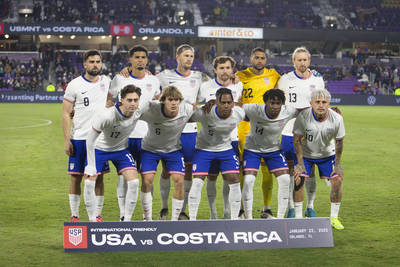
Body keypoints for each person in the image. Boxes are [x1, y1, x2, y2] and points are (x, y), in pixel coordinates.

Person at [109, 45, 160, 221]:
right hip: (125, 137)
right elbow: (109, 101)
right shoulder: (119, 79)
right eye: (136, 57)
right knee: (124, 178)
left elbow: (157, 104)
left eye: (143, 57)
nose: (140, 60)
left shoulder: (153, 80)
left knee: (148, 178)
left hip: (147, 138)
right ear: (129, 60)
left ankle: (148, 217)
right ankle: (124, 215)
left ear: (147, 60)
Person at [62, 49, 112, 222]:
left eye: (98, 61)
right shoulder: (74, 85)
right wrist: (67, 140)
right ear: (84, 64)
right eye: (91, 61)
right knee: (76, 177)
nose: (95, 64)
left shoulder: (107, 82)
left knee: (98, 178)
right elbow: (65, 114)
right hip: (79, 139)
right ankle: (75, 215)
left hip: (100, 140)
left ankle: (97, 215)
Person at [84, 85, 144, 222]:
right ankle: (92, 220)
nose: (133, 103)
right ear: (121, 100)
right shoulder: (106, 116)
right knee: (88, 183)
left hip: (120, 150)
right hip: (99, 150)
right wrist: (91, 165)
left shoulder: (139, 111)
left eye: (136, 100)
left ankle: (126, 220)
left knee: (134, 182)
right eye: (129, 100)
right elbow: (90, 140)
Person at [277, 46, 325, 218]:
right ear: (293, 61)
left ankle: (310, 206)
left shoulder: (318, 80)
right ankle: (291, 206)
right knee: (291, 170)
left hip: (312, 133)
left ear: (309, 61)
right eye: (299, 59)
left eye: (305, 60)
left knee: (310, 171)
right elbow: (279, 105)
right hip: (290, 132)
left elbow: (323, 105)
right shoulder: (284, 80)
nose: (302, 63)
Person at [156, 44, 202, 220]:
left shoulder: (199, 77)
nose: (189, 59)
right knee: (167, 170)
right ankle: (164, 207)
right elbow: (147, 83)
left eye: (191, 56)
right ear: (178, 57)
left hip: (190, 131)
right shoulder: (163, 76)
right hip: (170, 131)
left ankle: (182, 210)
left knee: (188, 170)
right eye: (186, 56)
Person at [139, 86, 195, 221]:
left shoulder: (186, 109)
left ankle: (174, 221)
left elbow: (204, 115)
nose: (174, 103)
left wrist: (209, 107)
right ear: (163, 100)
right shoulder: (151, 109)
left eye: (177, 100)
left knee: (179, 181)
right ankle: (147, 219)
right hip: (150, 149)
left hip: (173, 150)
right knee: (147, 180)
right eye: (170, 99)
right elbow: (130, 114)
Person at [236, 47, 281, 218]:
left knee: (267, 169)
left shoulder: (273, 75)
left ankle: (266, 207)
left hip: (267, 129)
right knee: (243, 170)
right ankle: (241, 207)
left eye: (263, 57)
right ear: (251, 58)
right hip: (244, 128)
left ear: (266, 60)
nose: (260, 60)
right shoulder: (240, 76)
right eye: (257, 57)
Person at [292, 89, 345, 230]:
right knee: (298, 178)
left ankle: (334, 218)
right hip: (306, 155)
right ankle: (298, 219)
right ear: (311, 103)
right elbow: (296, 140)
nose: (320, 105)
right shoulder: (303, 116)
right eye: (317, 102)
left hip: (327, 155)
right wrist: (300, 163)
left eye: (324, 102)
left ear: (329, 104)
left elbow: (339, 142)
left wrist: (338, 164)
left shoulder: (337, 118)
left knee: (337, 179)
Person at [198, 56, 243, 219]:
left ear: (233, 70)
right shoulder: (204, 87)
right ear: (215, 69)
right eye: (222, 68)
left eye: (228, 68)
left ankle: (226, 210)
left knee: (229, 178)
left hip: (232, 138)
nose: (225, 71)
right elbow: (198, 108)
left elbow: (240, 107)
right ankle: (213, 213)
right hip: (209, 141)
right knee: (211, 178)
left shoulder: (239, 85)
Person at [188, 88, 244, 220]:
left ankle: (235, 219)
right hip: (204, 149)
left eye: (229, 102)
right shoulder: (205, 112)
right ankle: (192, 221)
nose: (226, 106)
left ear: (233, 103)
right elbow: (185, 118)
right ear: (216, 102)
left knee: (235, 180)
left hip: (225, 149)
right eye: (223, 102)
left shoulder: (239, 114)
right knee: (197, 182)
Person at [242, 89, 298, 219]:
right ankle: (248, 218)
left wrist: (329, 111)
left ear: (282, 104)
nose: (274, 106)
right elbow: (235, 108)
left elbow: (304, 111)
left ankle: (279, 219)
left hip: (273, 150)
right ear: (265, 102)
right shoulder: (254, 109)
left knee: (285, 179)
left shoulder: (288, 111)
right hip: (252, 149)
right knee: (249, 180)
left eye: (278, 103)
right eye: (271, 103)